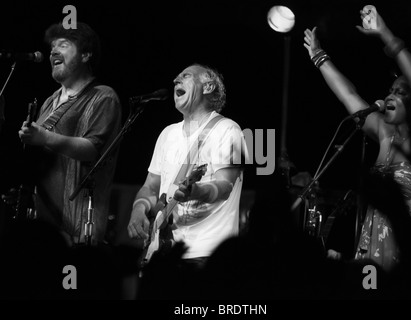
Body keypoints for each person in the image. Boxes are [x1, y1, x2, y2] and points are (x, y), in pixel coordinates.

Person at [303, 6, 411, 273]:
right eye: (390, 90)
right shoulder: (383, 132)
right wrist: (319, 56)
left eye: (400, 92)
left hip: (409, 252)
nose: (390, 95)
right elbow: (349, 96)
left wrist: (385, 34)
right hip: (370, 249)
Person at [127, 64, 247, 297]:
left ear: (208, 86)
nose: (175, 80)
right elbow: (151, 187)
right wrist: (138, 208)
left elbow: (225, 186)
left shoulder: (227, 130)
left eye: (185, 76)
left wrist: (196, 191)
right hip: (162, 253)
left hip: (205, 255)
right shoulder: (167, 134)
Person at [15, 22, 122, 245]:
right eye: (52, 47)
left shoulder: (103, 97)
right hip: (42, 225)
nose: (53, 51)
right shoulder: (50, 101)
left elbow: (92, 150)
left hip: (78, 228)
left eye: (63, 45)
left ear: (86, 54)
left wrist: (43, 137)